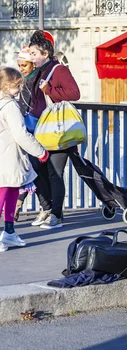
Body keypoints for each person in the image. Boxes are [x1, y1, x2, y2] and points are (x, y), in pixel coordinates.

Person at [28, 30, 80, 229]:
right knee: (36, 168)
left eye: (34, 53)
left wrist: (49, 89)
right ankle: (47, 208)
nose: (31, 57)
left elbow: (74, 93)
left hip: (58, 130)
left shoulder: (58, 70)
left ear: (45, 54)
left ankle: (56, 215)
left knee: (55, 173)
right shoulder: (37, 72)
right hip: (40, 131)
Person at [0, 67, 48, 252]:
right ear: (5, 86)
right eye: (17, 86)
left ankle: (10, 231)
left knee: (12, 189)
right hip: (9, 156)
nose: (20, 89)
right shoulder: (10, 106)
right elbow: (21, 134)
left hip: (6, 154)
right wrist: (40, 151)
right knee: (4, 192)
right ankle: (8, 230)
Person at [14, 47, 37, 222]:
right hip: (25, 127)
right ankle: (18, 202)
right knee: (27, 170)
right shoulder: (24, 80)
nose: (22, 68)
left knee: (28, 169)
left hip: (30, 128)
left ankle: (18, 202)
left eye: (24, 65)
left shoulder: (31, 81)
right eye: (20, 65)